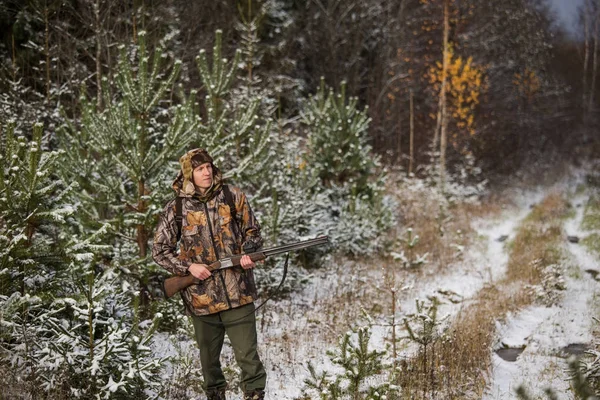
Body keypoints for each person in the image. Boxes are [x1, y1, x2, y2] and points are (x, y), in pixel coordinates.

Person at [152, 148, 266, 400]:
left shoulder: (231, 195)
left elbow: (253, 231)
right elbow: (159, 250)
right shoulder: (177, 208)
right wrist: (188, 268)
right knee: (209, 363)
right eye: (200, 169)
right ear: (188, 175)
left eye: (209, 167)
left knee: (248, 357)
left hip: (238, 292)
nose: (206, 172)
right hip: (201, 299)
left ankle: (255, 395)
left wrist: (248, 252)